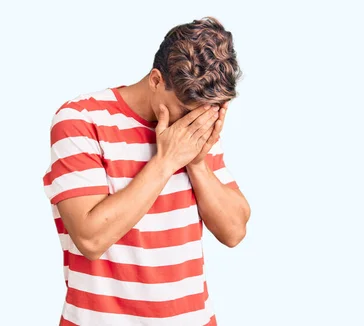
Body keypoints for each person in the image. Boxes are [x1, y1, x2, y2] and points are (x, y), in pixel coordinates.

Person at [42, 17, 251, 326]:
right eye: (186, 110)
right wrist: (165, 161)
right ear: (156, 81)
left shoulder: (198, 123)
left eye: (211, 111)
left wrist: (195, 161)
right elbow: (90, 239)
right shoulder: (80, 120)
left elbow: (234, 231)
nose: (196, 124)